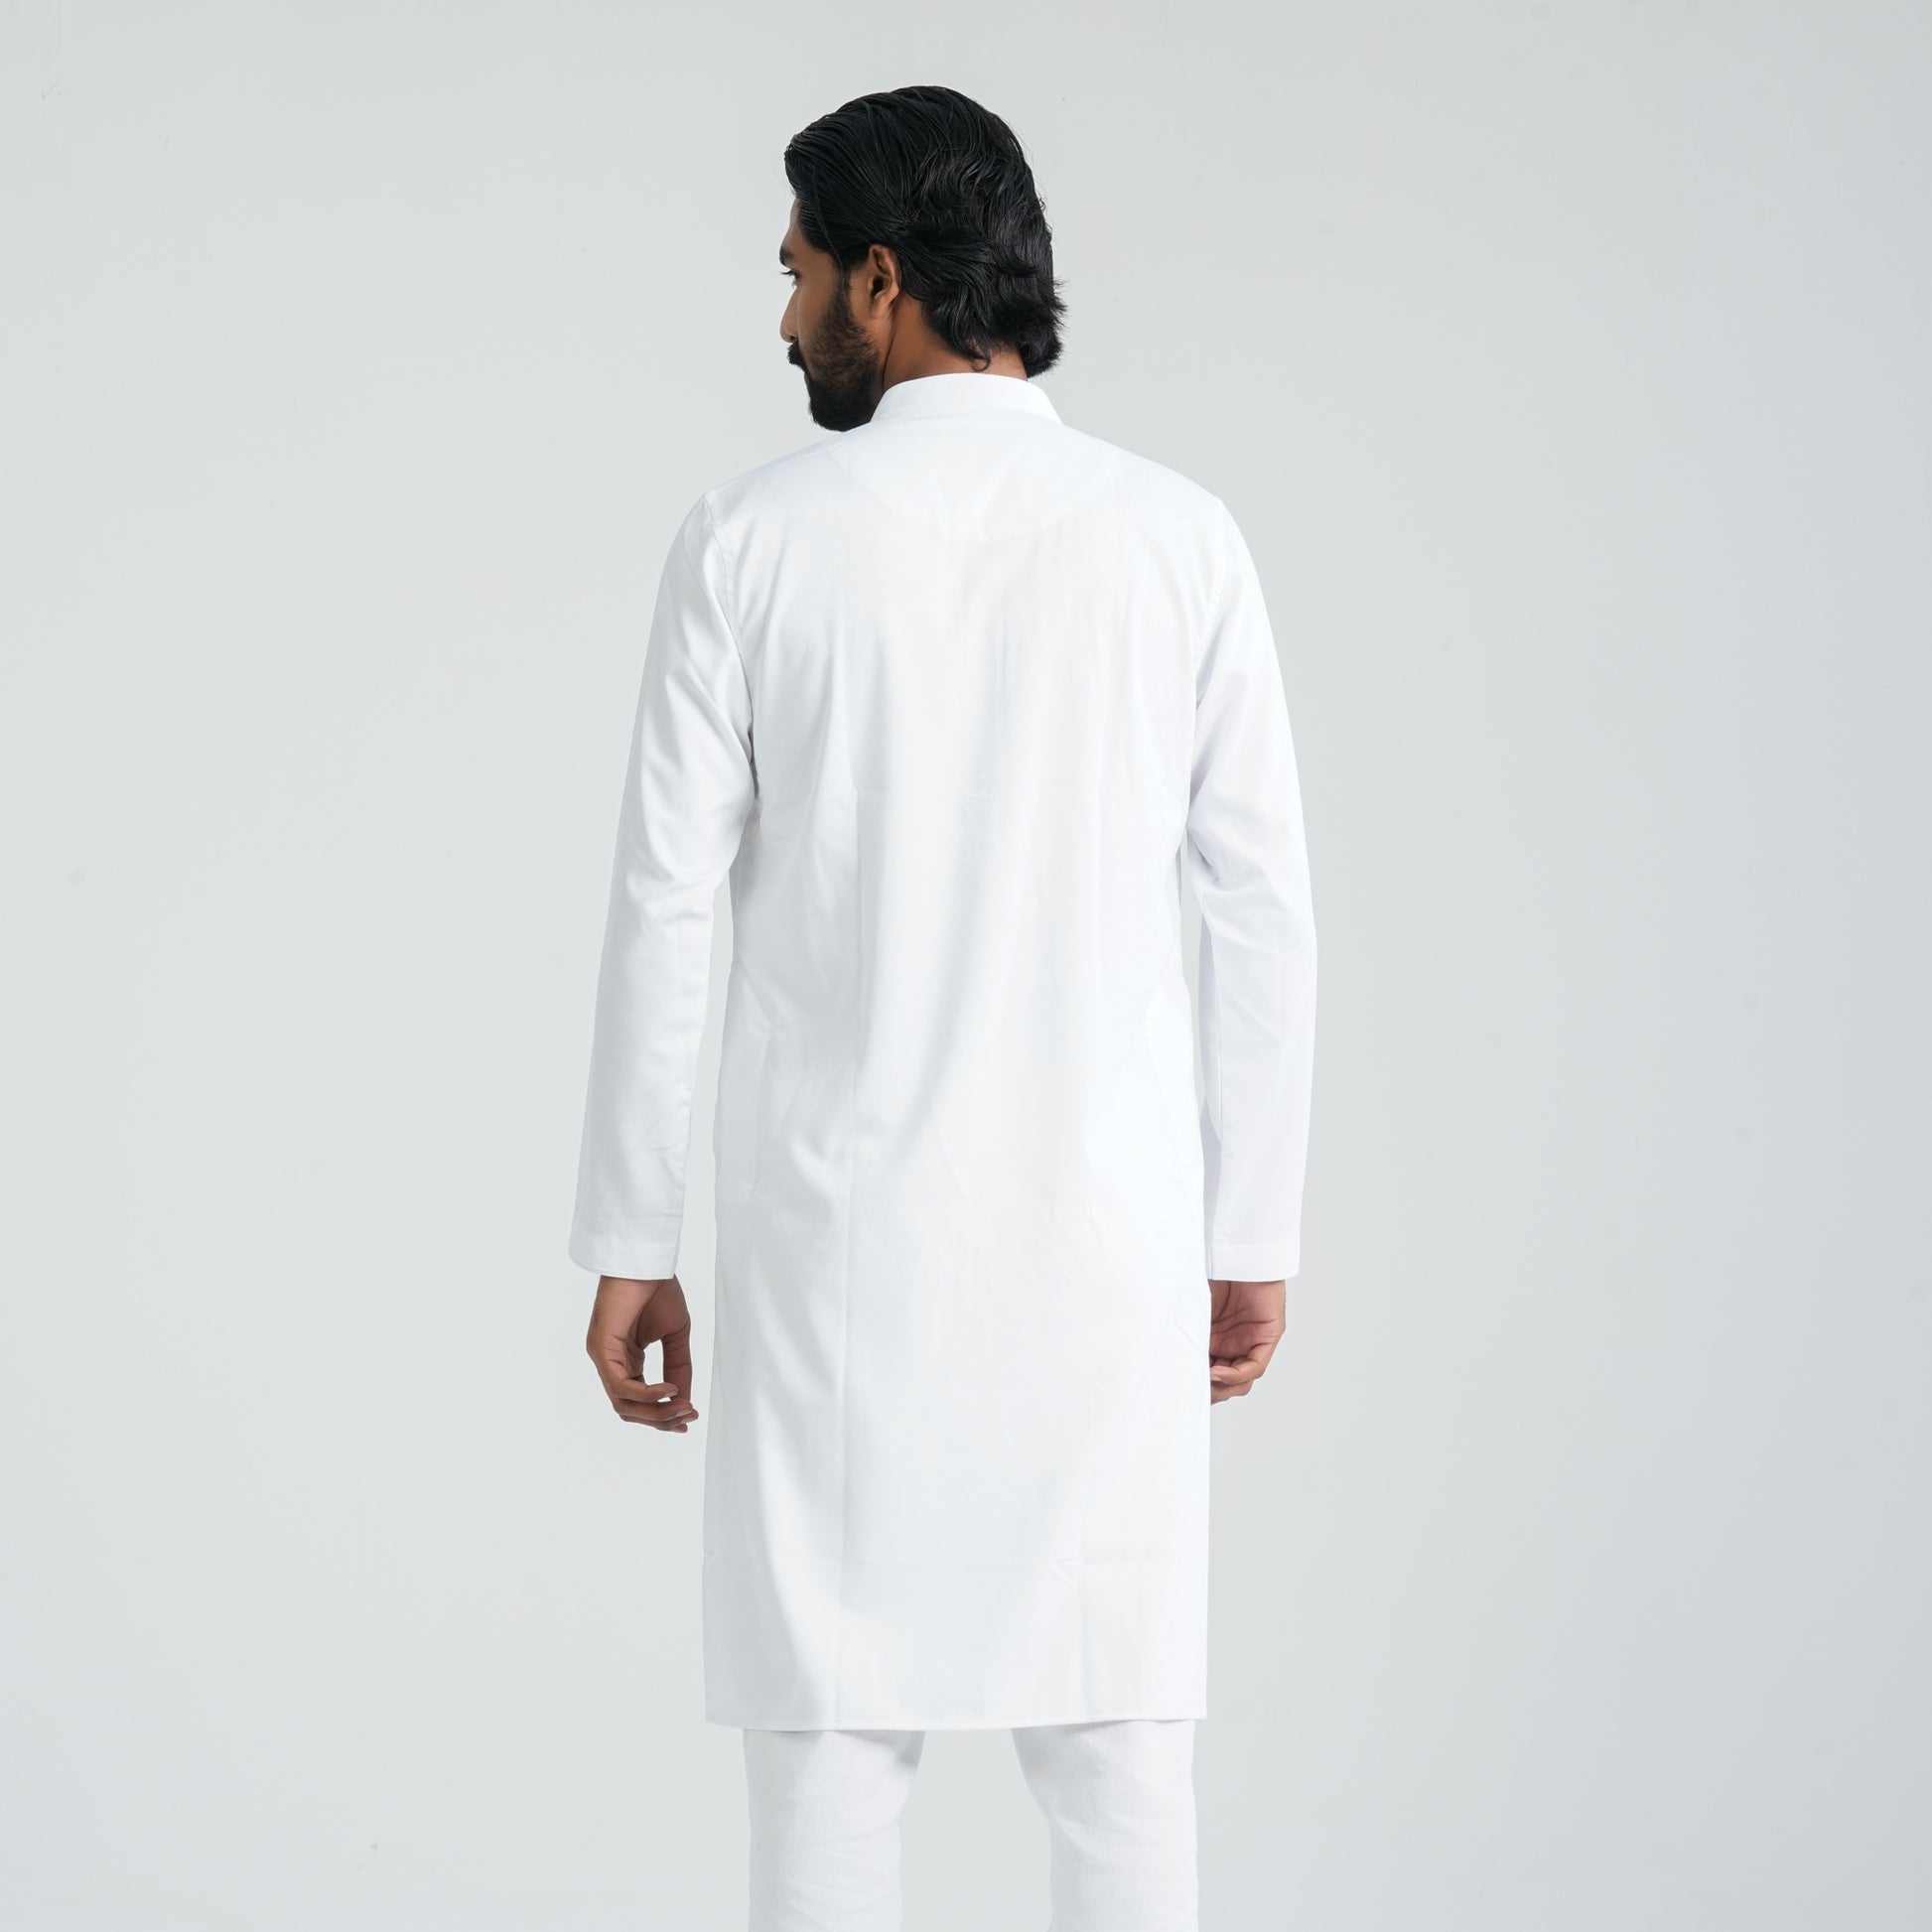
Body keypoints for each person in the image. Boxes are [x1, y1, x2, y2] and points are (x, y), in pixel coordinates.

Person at [569, 83, 1316, 1932]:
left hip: (839, 1258)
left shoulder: (748, 540)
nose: (783, 315)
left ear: (882, 279)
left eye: (797, 271)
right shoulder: (1175, 536)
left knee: (828, 1764)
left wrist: (635, 1234)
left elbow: (664, 905)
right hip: (1108, 1253)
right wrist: (1248, 1229)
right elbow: (1260, 907)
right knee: (1121, 1763)